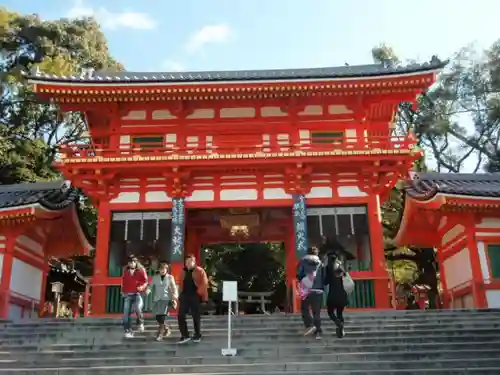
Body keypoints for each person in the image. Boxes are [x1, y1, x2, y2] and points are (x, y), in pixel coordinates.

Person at [177, 254, 209, 344]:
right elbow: (180, 284)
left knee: (196, 316)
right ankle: (185, 335)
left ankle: (197, 334)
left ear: (194, 262)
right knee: (181, 315)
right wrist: (179, 295)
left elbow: (204, 284)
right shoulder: (182, 272)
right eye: (186, 262)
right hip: (184, 296)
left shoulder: (199, 271)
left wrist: (202, 297)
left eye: (190, 261)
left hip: (195, 295)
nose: (188, 263)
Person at [296, 246, 325, 340]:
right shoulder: (321, 263)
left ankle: (310, 324)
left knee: (304, 308)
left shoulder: (303, 261)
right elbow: (324, 276)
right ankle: (318, 331)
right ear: (317, 253)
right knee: (316, 311)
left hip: (307, 289)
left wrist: (303, 280)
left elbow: (299, 274)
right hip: (318, 290)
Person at [121, 255, 148, 338]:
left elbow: (145, 281)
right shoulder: (125, 271)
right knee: (126, 313)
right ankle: (127, 330)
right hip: (128, 294)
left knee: (138, 308)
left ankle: (140, 322)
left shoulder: (141, 270)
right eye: (130, 262)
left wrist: (142, 287)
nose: (131, 264)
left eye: (133, 262)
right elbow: (123, 281)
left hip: (137, 294)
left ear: (136, 262)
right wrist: (122, 291)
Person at [151, 261, 178, 341]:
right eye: (161, 269)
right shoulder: (155, 277)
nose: (163, 270)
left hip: (166, 299)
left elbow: (174, 288)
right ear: (159, 269)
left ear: (167, 269)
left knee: (162, 316)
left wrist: (175, 296)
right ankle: (167, 328)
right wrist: (148, 290)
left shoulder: (170, 277)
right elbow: (150, 285)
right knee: (157, 316)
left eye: (165, 269)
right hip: (157, 299)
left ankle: (160, 334)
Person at [324, 251, 348, 338]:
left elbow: (325, 282)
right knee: (340, 313)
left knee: (330, 312)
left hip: (333, 295)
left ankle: (338, 323)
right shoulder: (341, 267)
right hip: (342, 295)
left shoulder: (328, 269)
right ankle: (342, 331)